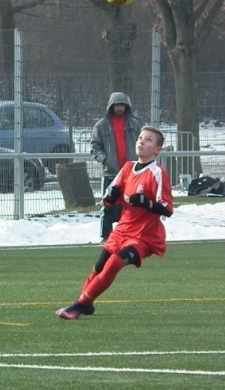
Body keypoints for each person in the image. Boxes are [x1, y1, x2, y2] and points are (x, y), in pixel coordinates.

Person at [56, 126, 174, 319]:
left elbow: (167, 208)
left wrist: (147, 202)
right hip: (122, 230)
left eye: (148, 140)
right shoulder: (127, 168)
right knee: (98, 267)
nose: (142, 142)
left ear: (157, 150)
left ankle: (78, 306)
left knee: (114, 263)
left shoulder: (158, 173)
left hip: (143, 236)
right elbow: (109, 198)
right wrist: (111, 197)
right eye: (141, 138)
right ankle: (86, 304)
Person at [90, 92, 144, 240]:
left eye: (122, 105)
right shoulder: (101, 125)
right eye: (117, 105)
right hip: (111, 173)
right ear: (111, 106)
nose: (120, 108)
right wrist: (105, 159)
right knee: (108, 205)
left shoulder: (135, 124)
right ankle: (106, 237)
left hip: (131, 173)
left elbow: (143, 143)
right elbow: (94, 146)